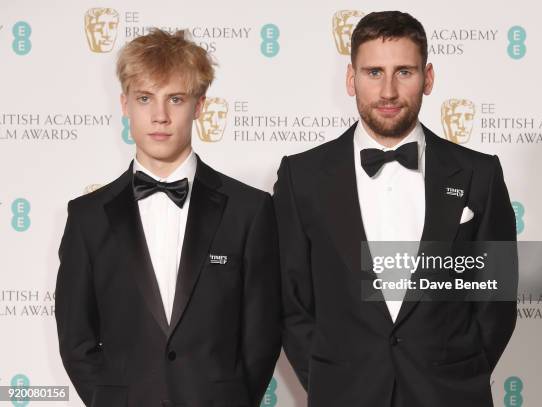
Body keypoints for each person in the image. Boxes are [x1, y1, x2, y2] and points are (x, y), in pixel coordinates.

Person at [274, 11, 517, 406]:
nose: (388, 91)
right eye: (373, 72)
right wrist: (330, 380)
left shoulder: (479, 174)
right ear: (351, 80)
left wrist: (460, 376)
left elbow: (497, 301)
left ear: (429, 77)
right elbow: (291, 300)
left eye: (404, 71)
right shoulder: (301, 176)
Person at [55, 29, 280, 407]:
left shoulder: (250, 210)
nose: (159, 116)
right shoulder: (87, 217)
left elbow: (262, 336)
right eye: (145, 99)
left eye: (175, 99)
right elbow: (76, 339)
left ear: (200, 105)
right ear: (125, 104)